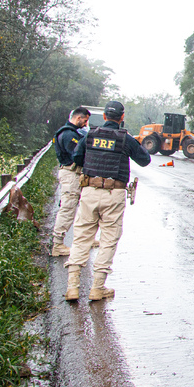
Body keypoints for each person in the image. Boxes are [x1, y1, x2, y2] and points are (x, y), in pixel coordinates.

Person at [65, 100, 151, 302]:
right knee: (109, 239)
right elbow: (145, 160)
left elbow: (76, 158)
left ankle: (72, 287)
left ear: (103, 116)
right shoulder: (125, 139)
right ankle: (97, 288)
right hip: (114, 193)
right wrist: (134, 143)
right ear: (122, 118)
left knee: (81, 237)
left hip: (89, 191)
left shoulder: (89, 135)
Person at [50, 107, 91, 257]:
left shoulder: (71, 133)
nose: (86, 124)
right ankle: (58, 244)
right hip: (70, 174)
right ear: (78, 118)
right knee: (68, 208)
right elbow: (78, 155)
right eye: (85, 120)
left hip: (75, 174)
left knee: (82, 208)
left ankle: (83, 240)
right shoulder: (68, 134)